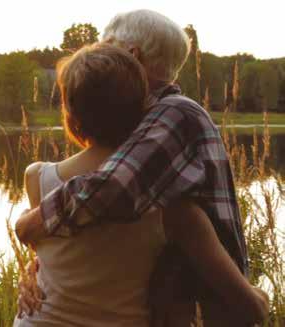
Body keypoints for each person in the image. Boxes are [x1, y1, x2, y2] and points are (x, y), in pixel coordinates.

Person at [15, 9, 252, 326]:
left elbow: (114, 190)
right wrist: (38, 268)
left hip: (208, 303)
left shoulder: (174, 112)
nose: (98, 59)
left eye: (104, 47)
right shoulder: (138, 120)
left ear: (131, 54)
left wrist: (32, 222)